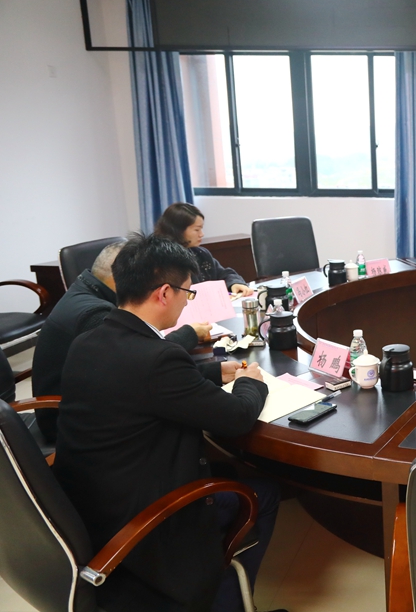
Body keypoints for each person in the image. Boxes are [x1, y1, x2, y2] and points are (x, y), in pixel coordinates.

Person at [54, 234, 282, 612]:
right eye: (187, 293)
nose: (187, 301)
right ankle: (224, 601)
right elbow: (237, 417)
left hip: (92, 508)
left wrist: (213, 372)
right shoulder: (157, 360)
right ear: (164, 293)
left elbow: (143, 384)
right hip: (148, 521)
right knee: (265, 493)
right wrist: (249, 381)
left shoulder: (90, 340)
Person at [31, 241, 210, 443]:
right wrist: (189, 334)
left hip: (89, 404)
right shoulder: (96, 315)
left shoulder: (84, 289)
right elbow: (143, 361)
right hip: (67, 423)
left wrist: (211, 372)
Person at [155, 202, 254, 296]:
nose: (202, 234)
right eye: (197, 229)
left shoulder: (200, 253)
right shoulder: (164, 261)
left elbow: (224, 273)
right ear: (178, 230)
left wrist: (234, 283)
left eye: (201, 229)